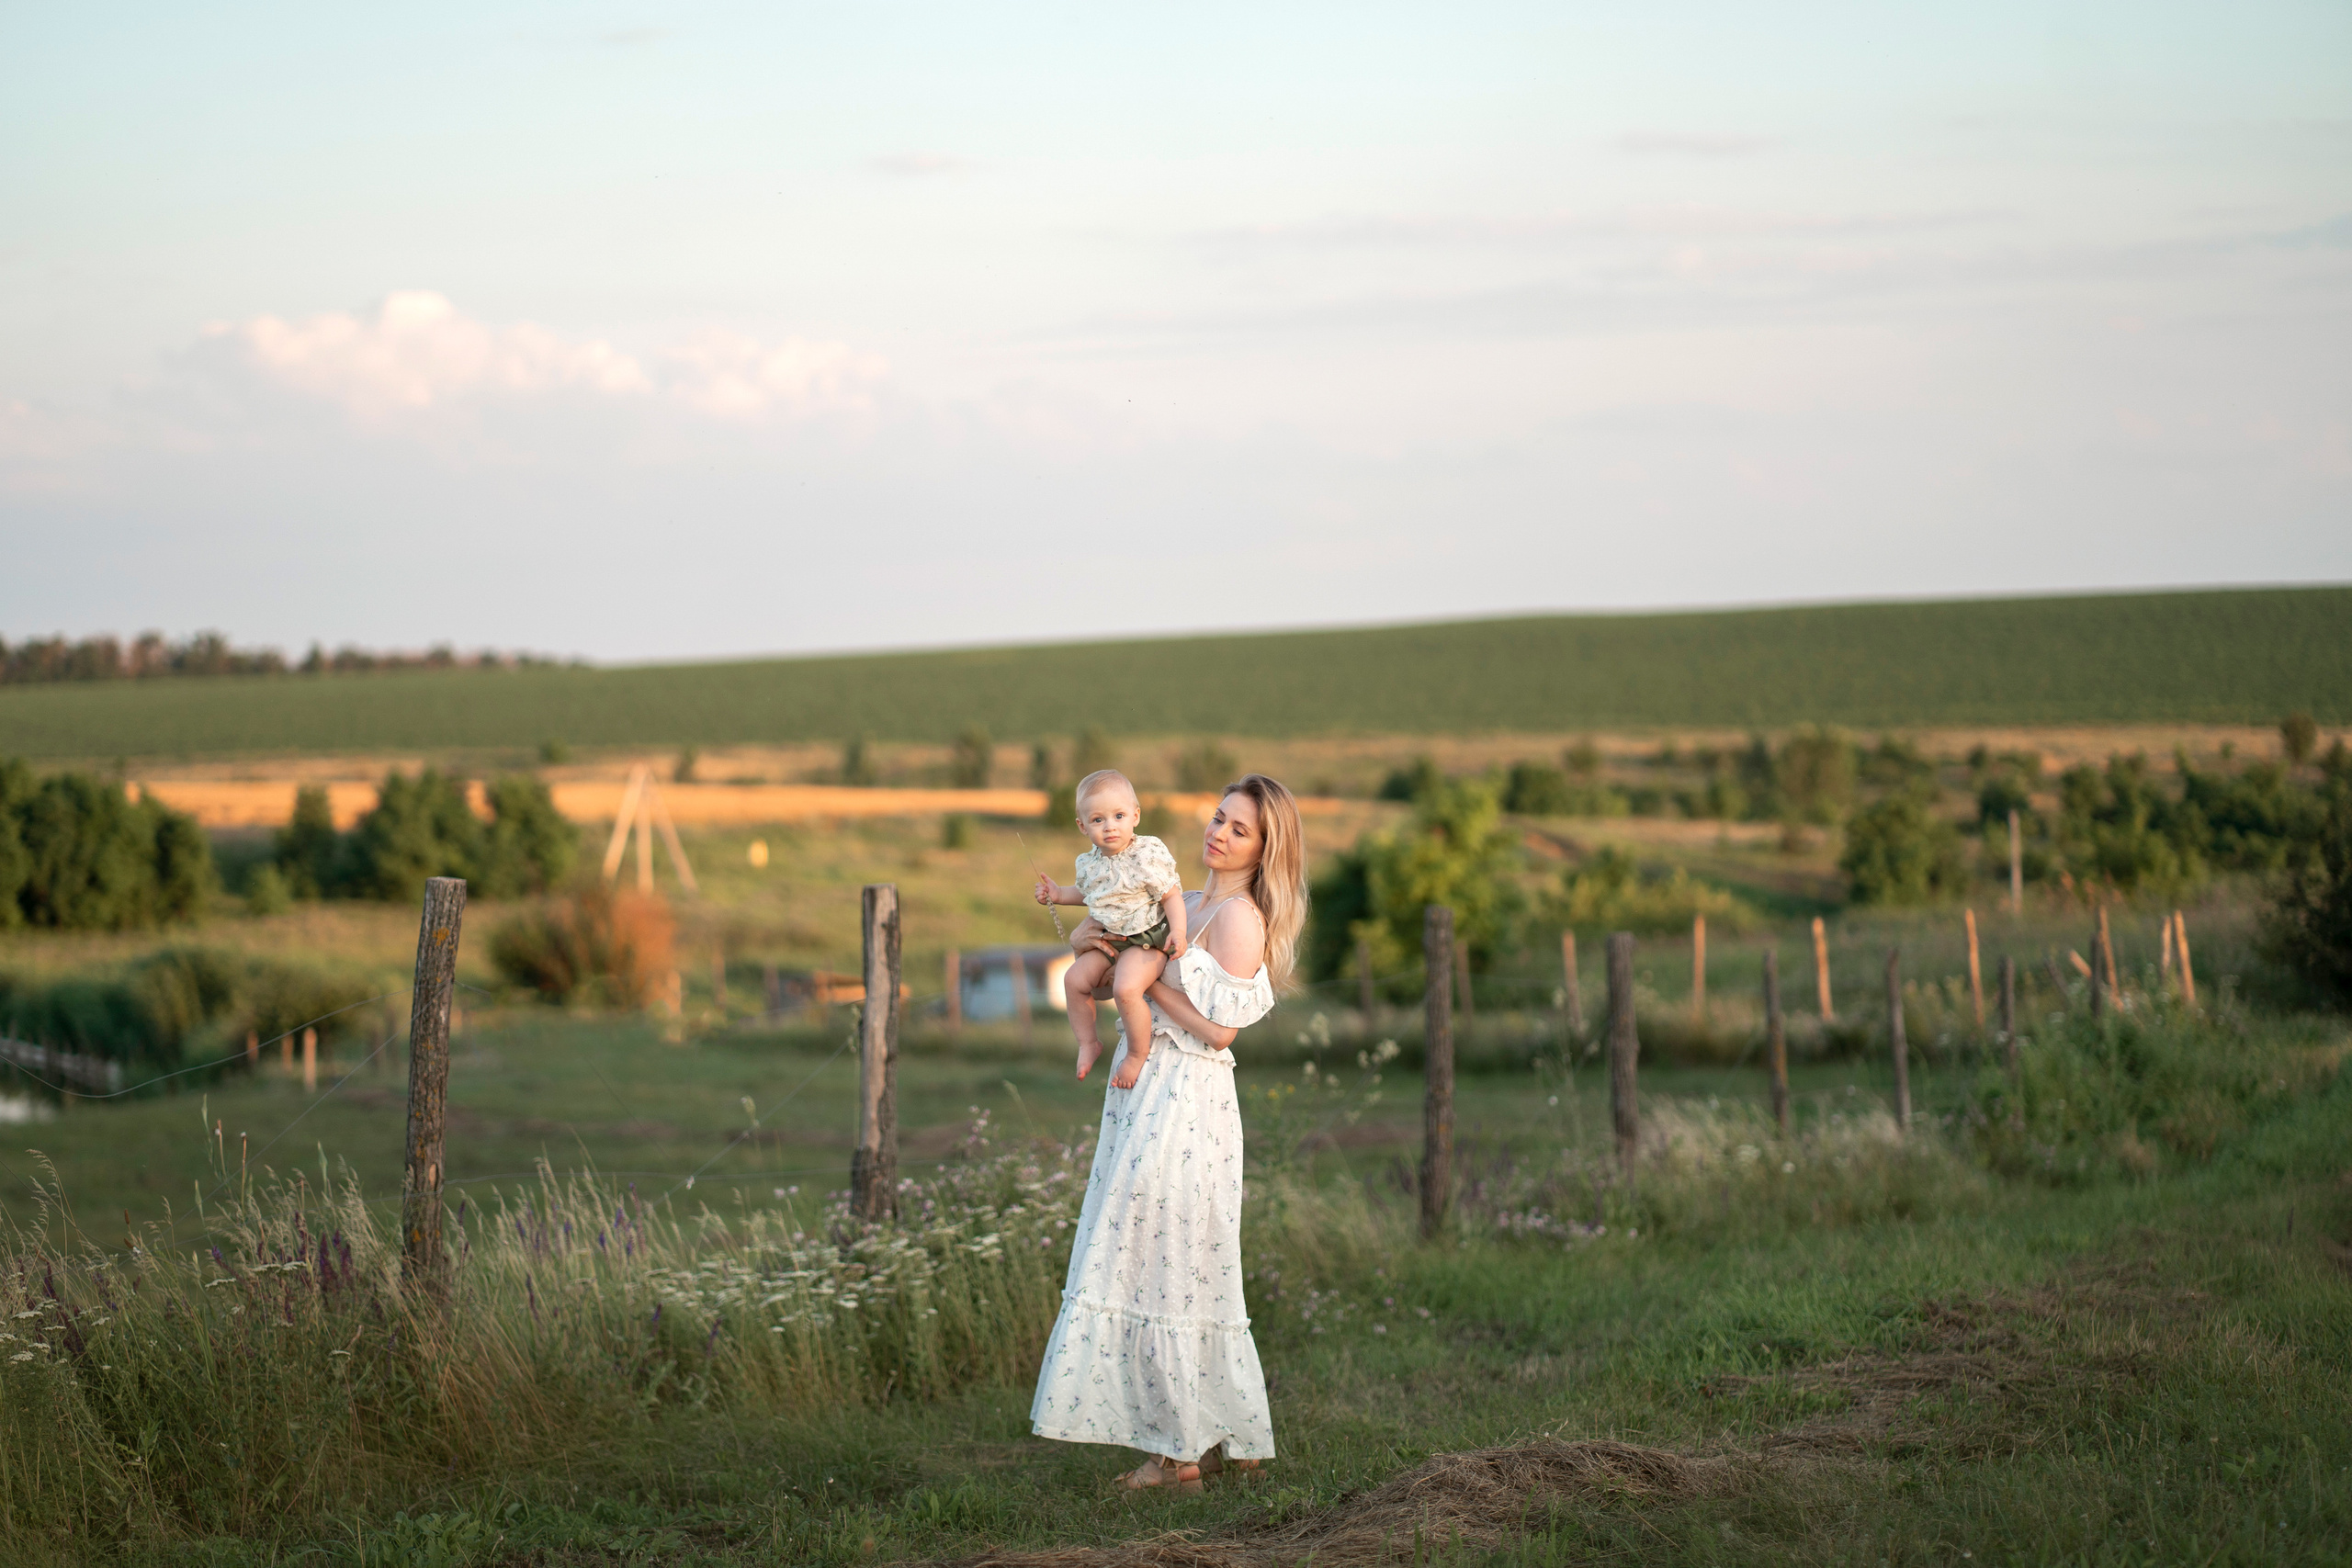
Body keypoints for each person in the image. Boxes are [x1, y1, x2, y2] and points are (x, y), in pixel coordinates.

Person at [1029, 773, 1308, 1493]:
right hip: (1140, 1089)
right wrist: (1089, 934)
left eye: (1238, 828)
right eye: (1218, 817)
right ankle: (1192, 1438)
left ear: (1264, 846)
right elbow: (1105, 971)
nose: (1218, 832)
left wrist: (1145, 982)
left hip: (1187, 1097)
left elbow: (1219, 1029)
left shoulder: (1238, 918)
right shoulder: (1180, 900)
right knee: (1151, 1254)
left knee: (1171, 1256)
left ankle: (1177, 1453)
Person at [1033, 770, 1188, 1088]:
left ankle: (1136, 1053)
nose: (1110, 826)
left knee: (1125, 989)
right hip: (1110, 939)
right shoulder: (1090, 864)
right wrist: (1059, 895)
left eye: (1118, 816)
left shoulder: (1146, 854)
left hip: (1146, 939)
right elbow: (1088, 894)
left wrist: (1179, 932)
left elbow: (1171, 895)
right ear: (1083, 826)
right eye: (1098, 820)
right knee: (1074, 979)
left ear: (1135, 816)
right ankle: (1088, 1043)